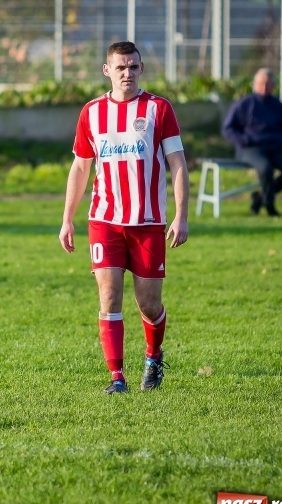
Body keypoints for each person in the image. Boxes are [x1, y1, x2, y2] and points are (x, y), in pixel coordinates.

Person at [59, 41, 189, 395]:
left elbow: (177, 163)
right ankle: (117, 378)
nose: (127, 73)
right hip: (105, 221)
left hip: (148, 223)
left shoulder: (159, 109)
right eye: (120, 67)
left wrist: (181, 215)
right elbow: (81, 167)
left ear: (141, 68)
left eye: (133, 66)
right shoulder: (92, 112)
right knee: (109, 295)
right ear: (107, 71)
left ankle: (153, 356)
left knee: (149, 304)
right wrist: (67, 218)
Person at [222, 68, 282, 216]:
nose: (264, 87)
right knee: (266, 168)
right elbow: (228, 129)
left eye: (268, 84)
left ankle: (260, 198)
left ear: (274, 86)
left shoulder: (278, 106)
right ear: (255, 84)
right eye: (261, 83)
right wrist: (245, 140)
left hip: (274, 148)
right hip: (250, 149)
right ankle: (269, 205)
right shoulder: (244, 104)